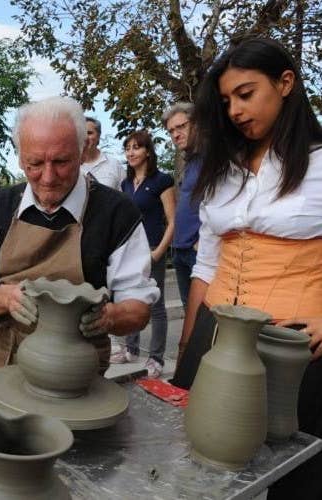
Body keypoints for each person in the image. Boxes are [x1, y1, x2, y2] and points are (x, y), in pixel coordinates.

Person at [169, 37, 322, 499]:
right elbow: (208, 261)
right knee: (193, 462)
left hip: (293, 341)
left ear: (285, 83)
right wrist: (188, 338)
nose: (234, 110)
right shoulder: (224, 168)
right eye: (226, 100)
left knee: (294, 474)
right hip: (215, 335)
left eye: (246, 93)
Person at [0, 97, 159, 389]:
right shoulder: (0, 206)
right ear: (19, 159)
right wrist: (6, 298)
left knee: (50, 430)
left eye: (61, 162)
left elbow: (138, 306)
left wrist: (110, 316)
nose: (48, 177)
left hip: (73, 363)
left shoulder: (116, 213)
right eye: (35, 163)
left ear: (82, 152)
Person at [110, 130, 175, 379]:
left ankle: (156, 358)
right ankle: (131, 350)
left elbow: (172, 221)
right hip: (128, 252)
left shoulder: (162, 180)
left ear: (148, 151)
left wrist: (158, 253)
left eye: (136, 147)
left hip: (152, 251)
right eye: (127, 148)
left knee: (156, 306)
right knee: (128, 299)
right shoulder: (125, 184)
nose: (130, 153)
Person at [163, 102, 201, 308]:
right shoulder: (190, 161)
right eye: (171, 131)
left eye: (181, 127)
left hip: (198, 250)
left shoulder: (212, 158)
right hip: (180, 248)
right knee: (190, 313)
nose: (175, 134)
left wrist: (203, 239)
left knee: (205, 316)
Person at [80, 116, 125, 190]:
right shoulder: (70, 166)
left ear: (98, 136)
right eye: (82, 133)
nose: (85, 137)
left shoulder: (114, 165)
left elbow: (125, 197)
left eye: (89, 133)